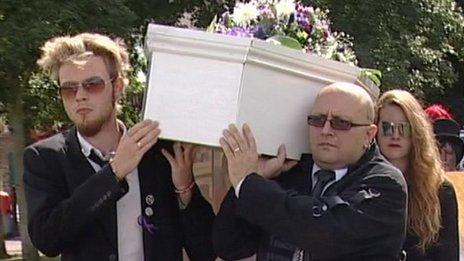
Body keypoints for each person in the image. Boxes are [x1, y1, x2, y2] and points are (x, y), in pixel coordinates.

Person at [23, 33, 215, 260]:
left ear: (119, 86)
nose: (80, 96)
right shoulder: (45, 158)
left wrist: (185, 192)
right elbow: (48, 239)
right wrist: (114, 172)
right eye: (69, 89)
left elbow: (205, 251)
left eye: (92, 85)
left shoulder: (157, 152)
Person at [213, 82, 407, 260]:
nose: (326, 130)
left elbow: (324, 230)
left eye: (341, 123)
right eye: (317, 120)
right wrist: (253, 179)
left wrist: (249, 184)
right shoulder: (289, 172)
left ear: (368, 135)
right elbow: (230, 246)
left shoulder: (386, 183)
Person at [376, 90, 459, 260]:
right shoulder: (361, 181)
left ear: (416, 132)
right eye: (387, 127)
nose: (395, 135)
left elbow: (448, 255)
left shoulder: (440, 189)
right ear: (375, 131)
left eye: (403, 128)